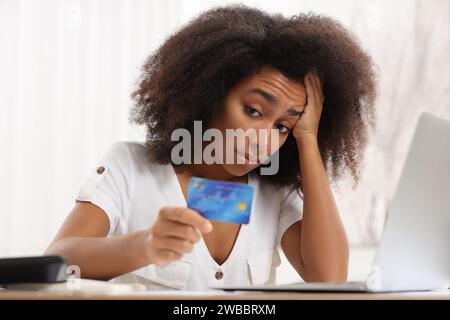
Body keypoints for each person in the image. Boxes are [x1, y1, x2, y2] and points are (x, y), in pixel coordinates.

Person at [45, 5, 377, 290]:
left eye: (281, 127)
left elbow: (329, 279)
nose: (263, 140)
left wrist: (307, 140)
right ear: (208, 94)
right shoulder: (130, 168)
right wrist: (144, 245)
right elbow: (56, 263)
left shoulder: (276, 192)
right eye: (253, 110)